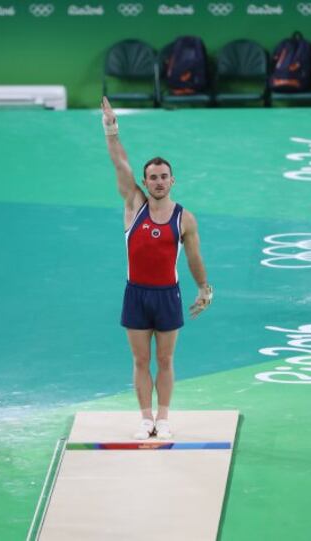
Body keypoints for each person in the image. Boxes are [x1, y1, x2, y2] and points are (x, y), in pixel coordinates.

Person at [101, 97, 213, 439]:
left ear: (172, 181)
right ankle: (145, 418)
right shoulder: (133, 204)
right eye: (153, 178)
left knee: (164, 360)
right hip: (136, 294)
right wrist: (111, 128)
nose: (159, 182)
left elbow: (193, 257)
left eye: (164, 177)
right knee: (139, 361)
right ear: (145, 183)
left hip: (167, 295)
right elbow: (120, 163)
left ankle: (163, 419)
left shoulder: (185, 218)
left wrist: (204, 288)